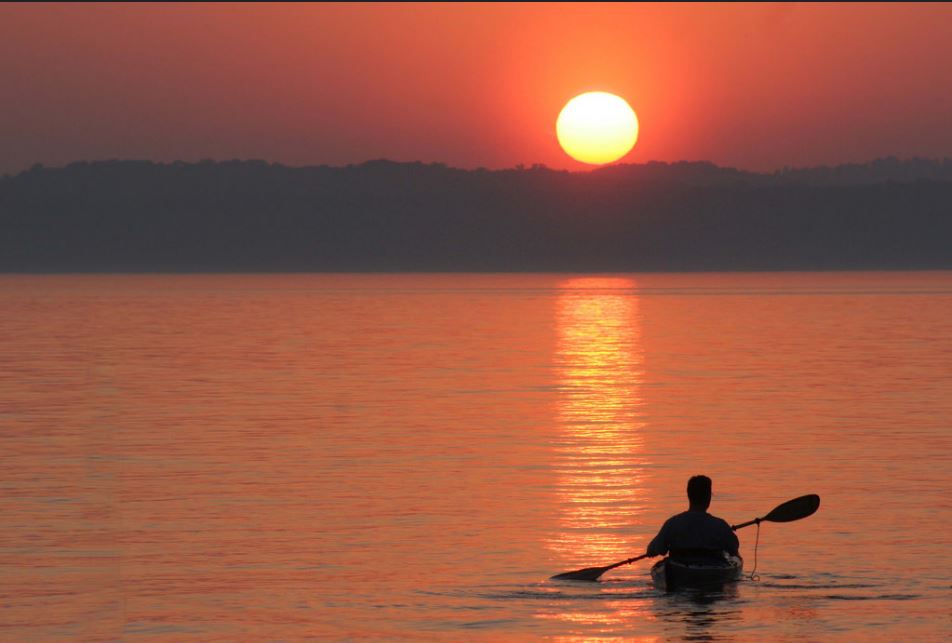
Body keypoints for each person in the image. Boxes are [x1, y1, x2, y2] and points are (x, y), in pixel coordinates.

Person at [646, 475, 740, 561]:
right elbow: (734, 547)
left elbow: (657, 548)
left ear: (689, 495)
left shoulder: (672, 524)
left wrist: (652, 550)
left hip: (680, 569)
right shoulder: (720, 526)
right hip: (711, 570)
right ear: (708, 498)